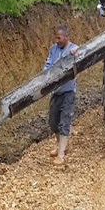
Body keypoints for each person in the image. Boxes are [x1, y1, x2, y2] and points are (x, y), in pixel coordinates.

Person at [44, 24, 79, 165]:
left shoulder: (73, 48)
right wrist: (45, 75)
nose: (57, 40)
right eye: (56, 38)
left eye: (59, 38)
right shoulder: (53, 49)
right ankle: (61, 146)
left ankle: (61, 155)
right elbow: (47, 64)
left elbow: (80, 55)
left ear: (66, 37)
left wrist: (75, 53)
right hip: (56, 91)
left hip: (68, 92)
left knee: (64, 122)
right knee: (53, 123)